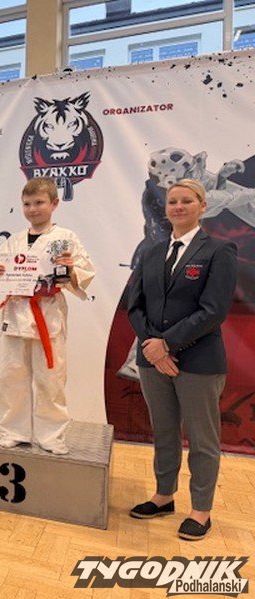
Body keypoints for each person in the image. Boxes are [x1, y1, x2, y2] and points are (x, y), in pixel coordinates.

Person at [128, 178, 237, 541]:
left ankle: (201, 510)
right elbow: (135, 305)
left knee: (203, 439)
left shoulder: (219, 251)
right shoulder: (152, 252)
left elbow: (213, 311)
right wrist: (152, 346)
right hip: (152, 360)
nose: (177, 206)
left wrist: (167, 345)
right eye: (172, 201)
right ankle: (163, 496)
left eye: (186, 200)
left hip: (198, 362)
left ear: (202, 206)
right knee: (163, 432)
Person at [0, 177, 94, 455]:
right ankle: (14, 431)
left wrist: (70, 270)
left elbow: (84, 274)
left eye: (39, 203)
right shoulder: (13, 241)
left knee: (51, 379)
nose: (32, 209)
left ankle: (51, 435)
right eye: (27, 204)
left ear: (54, 203)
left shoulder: (65, 239)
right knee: (11, 377)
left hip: (48, 314)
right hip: (16, 315)